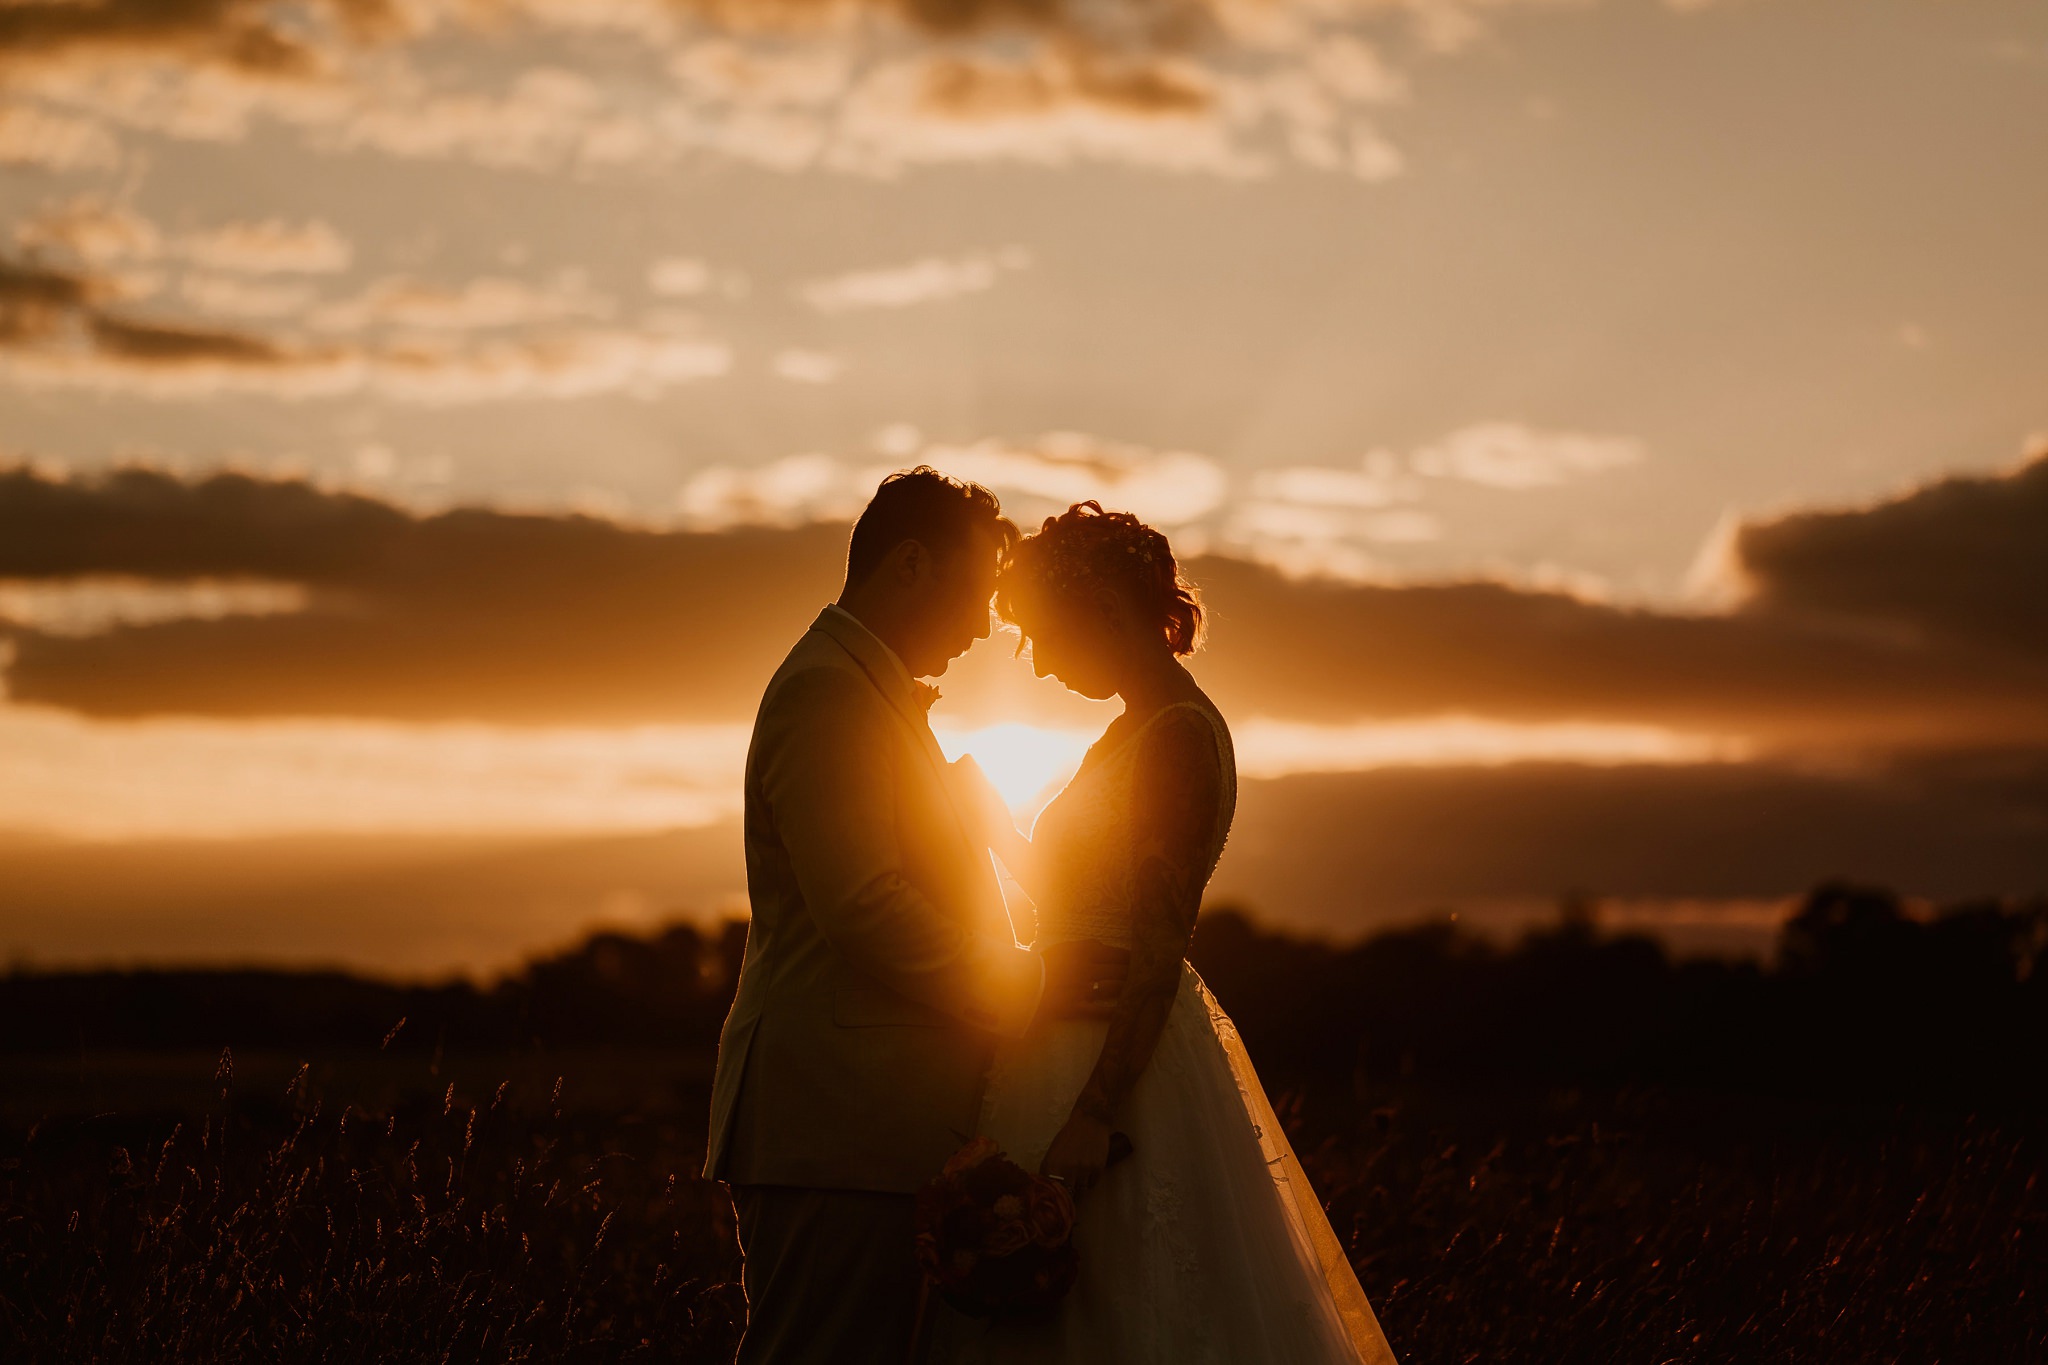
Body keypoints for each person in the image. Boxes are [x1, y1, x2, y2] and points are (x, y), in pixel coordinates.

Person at [936, 501, 1399, 1365]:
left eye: (1042, 634)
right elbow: (1069, 908)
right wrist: (986, 818)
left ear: (1104, 610)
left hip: (1117, 1066)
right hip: (1055, 1040)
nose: (1034, 665)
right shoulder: (1127, 732)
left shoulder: (1180, 737)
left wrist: (1094, 1111)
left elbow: (1157, 939)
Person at [703, 468, 1129, 1365]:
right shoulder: (830, 692)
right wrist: (1032, 982)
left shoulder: (873, 691)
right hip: (835, 1124)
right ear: (908, 563)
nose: (982, 629)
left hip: (870, 1120)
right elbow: (863, 906)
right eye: (974, 596)